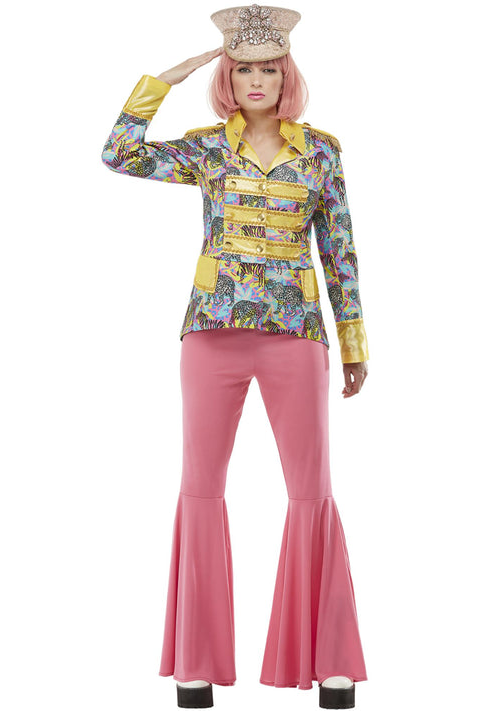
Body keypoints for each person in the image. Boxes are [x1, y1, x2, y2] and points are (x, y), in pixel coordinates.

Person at [101, 5, 369, 708]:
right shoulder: (206, 150)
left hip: (296, 333)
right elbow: (119, 155)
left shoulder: (322, 152)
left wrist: (352, 341)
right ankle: (195, 664)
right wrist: (161, 82)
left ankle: (330, 662)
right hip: (210, 333)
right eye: (243, 68)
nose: (256, 80)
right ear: (227, 75)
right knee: (200, 488)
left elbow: (339, 251)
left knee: (311, 491)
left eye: (268, 69)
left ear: (286, 75)